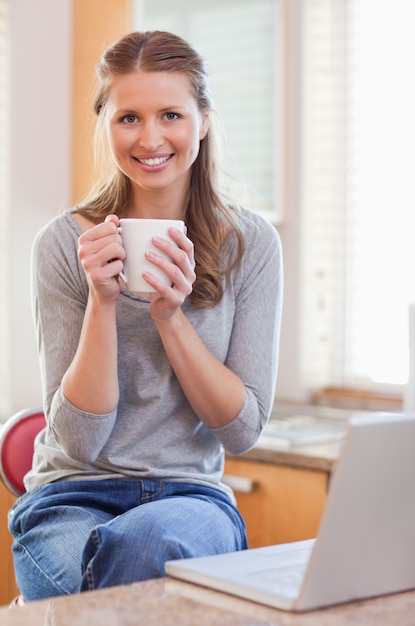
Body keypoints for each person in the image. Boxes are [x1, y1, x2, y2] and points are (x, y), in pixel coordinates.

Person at [8, 30, 283, 601]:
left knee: (143, 543)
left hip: (190, 499)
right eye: (128, 117)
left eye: (171, 115)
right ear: (104, 124)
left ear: (203, 121)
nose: (150, 137)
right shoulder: (62, 246)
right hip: (71, 497)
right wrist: (103, 303)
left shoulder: (250, 244)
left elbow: (241, 430)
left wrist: (170, 317)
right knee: (134, 571)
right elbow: (80, 442)